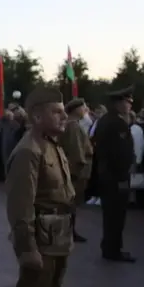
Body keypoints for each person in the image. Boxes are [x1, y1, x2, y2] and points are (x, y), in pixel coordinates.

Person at [5, 87, 74, 287]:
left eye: (64, 111)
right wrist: (27, 248)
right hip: (41, 239)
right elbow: (20, 208)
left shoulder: (50, 144)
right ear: (36, 116)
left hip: (57, 234)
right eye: (56, 112)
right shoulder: (28, 151)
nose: (64, 117)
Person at [93, 86, 136, 262]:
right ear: (119, 103)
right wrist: (123, 173)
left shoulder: (105, 120)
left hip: (108, 175)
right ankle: (113, 249)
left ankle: (111, 247)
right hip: (116, 177)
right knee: (116, 214)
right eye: (127, 102)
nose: (129, 106)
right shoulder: (116, 123)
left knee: (111, 214)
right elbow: (119, 153)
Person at [59, 98, 93, 243]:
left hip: (71, 170)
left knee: (69, 203)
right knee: (71, 203)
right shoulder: (73, 126)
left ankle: (68, 231)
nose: (85, 109)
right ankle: (69, 232)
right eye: (83, 107)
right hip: (75, 171)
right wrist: (77, 170)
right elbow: (76, 151)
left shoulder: (71, 124)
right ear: (76, 110)